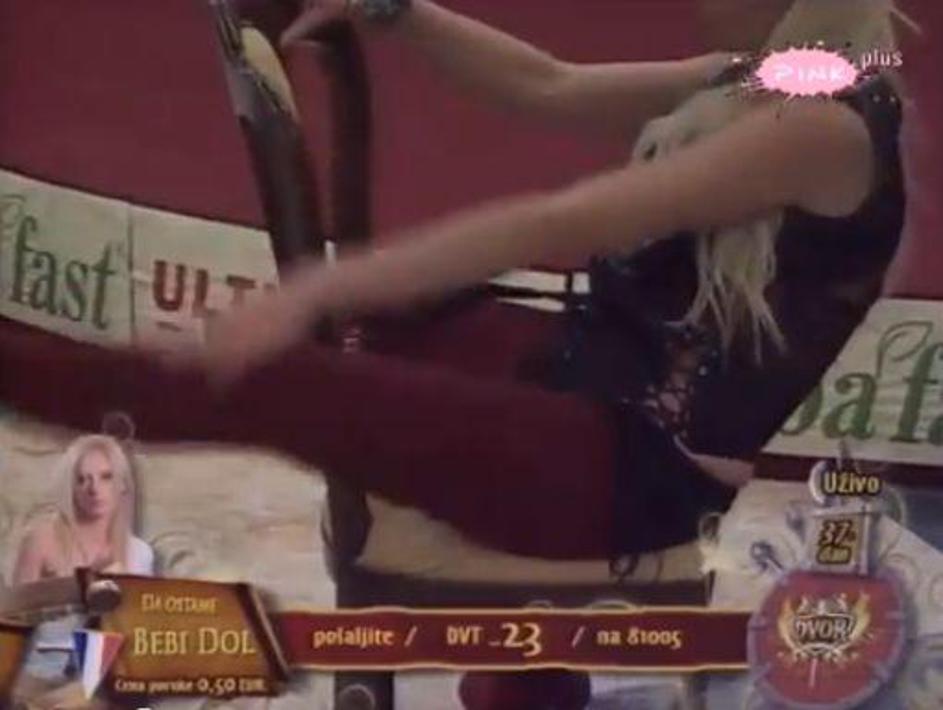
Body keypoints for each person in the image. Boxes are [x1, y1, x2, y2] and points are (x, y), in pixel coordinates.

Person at [0, 0, 908, 562]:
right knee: (372, 334)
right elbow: (549, 84)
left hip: (630, 471)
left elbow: (561, 223)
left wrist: (312, 291)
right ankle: (527, 686)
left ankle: (22, 371)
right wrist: (396, 9)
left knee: (274, 376)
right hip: (589, 374)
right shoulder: (786, 73)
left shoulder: (816, 128)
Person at [11, 434, 154, 584]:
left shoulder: (139, 553)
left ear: (123, 483)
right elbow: (17, 599)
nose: (94, 489)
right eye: (81, 480)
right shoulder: (40, 540)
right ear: (71, 488)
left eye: (106, 477)